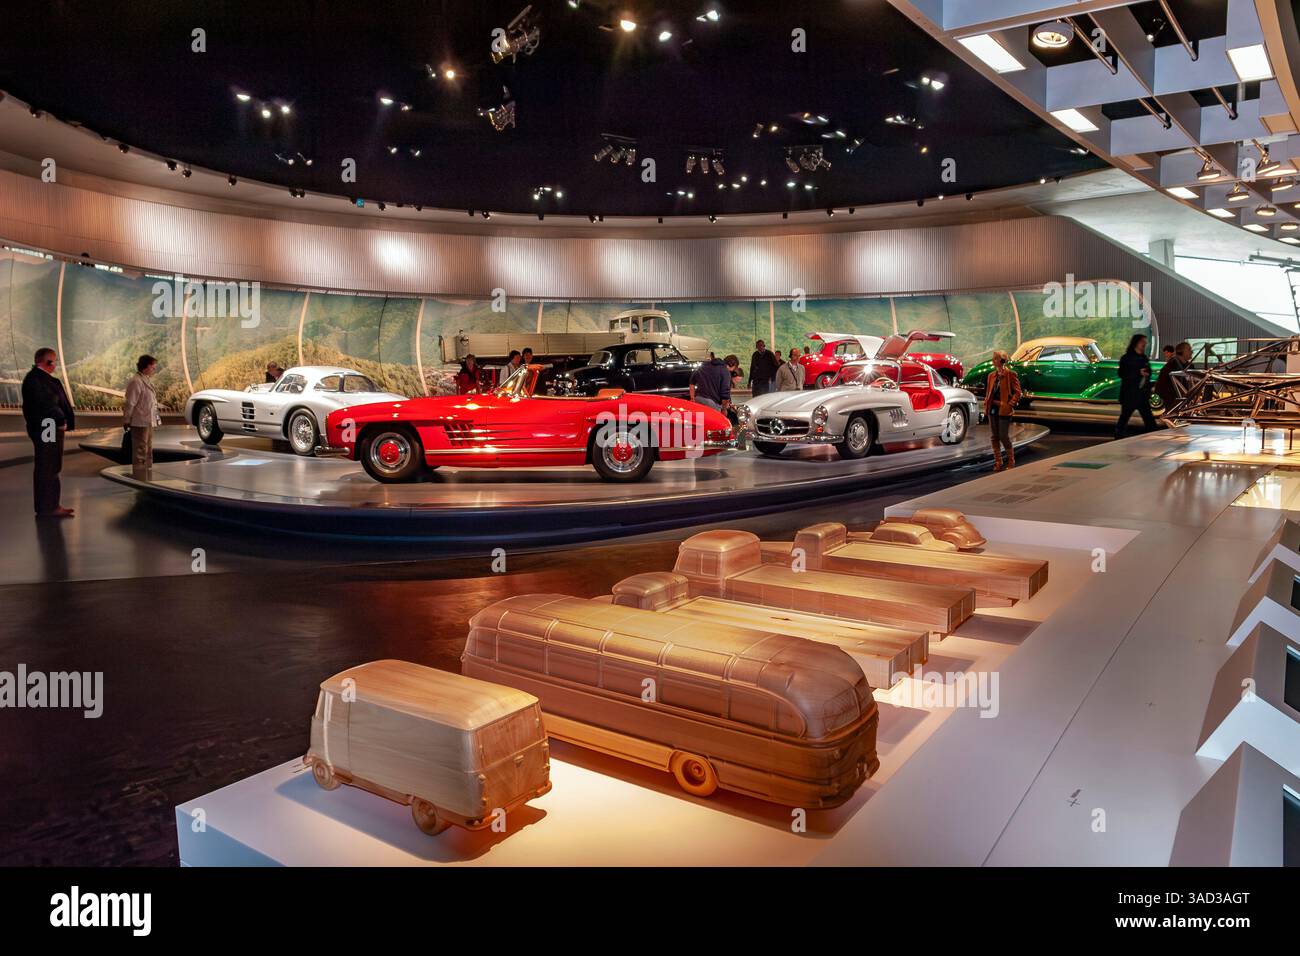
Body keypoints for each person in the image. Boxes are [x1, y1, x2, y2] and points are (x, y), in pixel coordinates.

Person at [21, 347, 76, 518]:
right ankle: (49, 507)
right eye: (54, 361)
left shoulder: (38, 379)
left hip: (48, 426)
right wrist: (61, 421)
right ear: (47, 362)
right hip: (48, 427)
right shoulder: (36, 380)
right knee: (48, 465)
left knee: (50, 465)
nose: (55, 364)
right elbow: (47, 404)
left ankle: (50, 505)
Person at [122, 355, 160, 479]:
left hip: (147, 421)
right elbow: (130, 403)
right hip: (139, 422)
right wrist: (127, 419)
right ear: (146, 366)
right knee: (140, 450)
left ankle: (147, 474)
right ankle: (139, 476)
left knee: (147, 449)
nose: (154, 368)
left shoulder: (145, 379)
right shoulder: (136, 381)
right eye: (152, 366)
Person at [984, 350, 1021, 472]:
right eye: (993, 358)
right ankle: (998, 461)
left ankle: (1011, 460)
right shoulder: (991, 375)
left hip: (1004, 409)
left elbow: (1018, 392)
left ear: (1002, 360)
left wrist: (1010, 404)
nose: (993, 360)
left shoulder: (1010, 374)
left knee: (1003, 436)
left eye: (995, 358)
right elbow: (989, 392)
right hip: (992, 409)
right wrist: (986, 403)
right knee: (994, 436)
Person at [1115, 333, 1156, 438]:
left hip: (1142, 395)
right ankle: (1118, 436)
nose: (1144, 344)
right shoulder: (1126, 358)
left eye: (1145, 343)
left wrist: (1147, 375)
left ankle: (1152, 436)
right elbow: (1122, 373)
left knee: (1149, 420)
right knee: (1124, 417)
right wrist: (1138, 372)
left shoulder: (1144, 358)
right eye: (1142, 342)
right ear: (1136, 343)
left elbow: (1149, 372)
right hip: (1130, 394)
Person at [1153, 341, 1191, 410]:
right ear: (1181, 352)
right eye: (1188, 350)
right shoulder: (1172, 365)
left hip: (1183, 401)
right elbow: (1161, 384)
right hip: (1173, 401)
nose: (1191, 352)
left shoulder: (1188, 365)